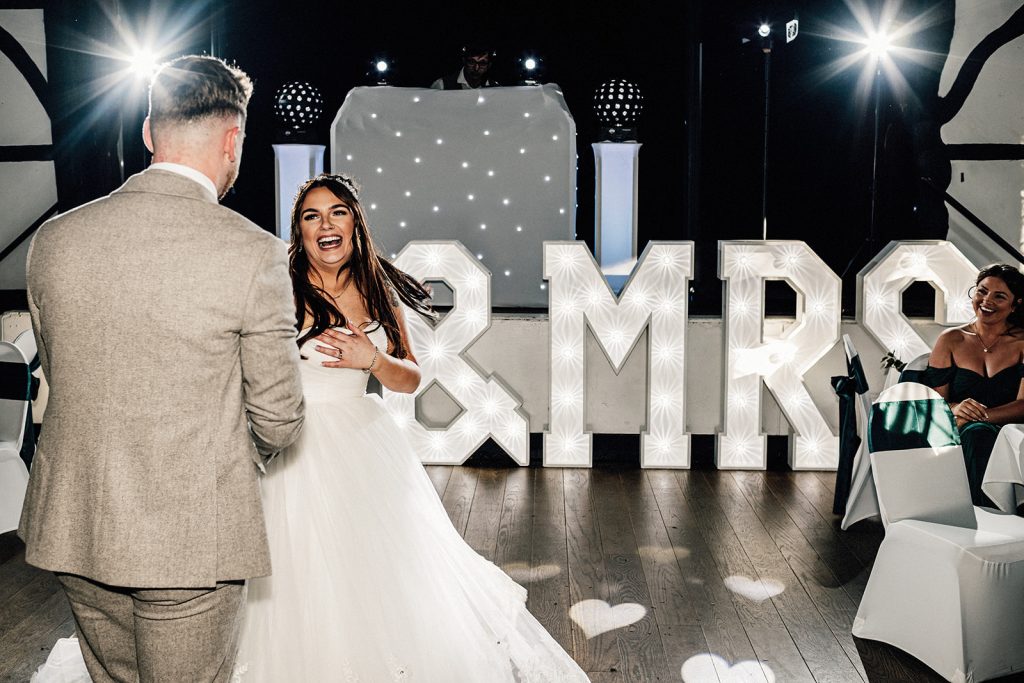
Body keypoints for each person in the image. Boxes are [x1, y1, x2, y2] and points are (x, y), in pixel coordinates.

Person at [231, 173, 589, 682]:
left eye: (337, 211)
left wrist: (371, 358)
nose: (325, 224)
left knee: (369, 563)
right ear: (299, 231)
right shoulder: (278, 289)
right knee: (299, 565)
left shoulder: (376, 290)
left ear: (355, 221)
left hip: (361, 440)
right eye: (312, 216)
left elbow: (409, 378)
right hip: (293, 438)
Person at [21, 55, 305, 682]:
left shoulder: (54, 241)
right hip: (190, 540)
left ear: (149, 134)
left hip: (77, 526)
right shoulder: (254, 254)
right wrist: (217, 462)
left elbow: (62, 380)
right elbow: (280, 419)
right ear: (234, 139)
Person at [924, 263, 1024, 505]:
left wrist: (982, 416)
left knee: (979, 433)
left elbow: (1023, 405)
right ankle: (988, 517)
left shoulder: (1022, 342)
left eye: (999, 296)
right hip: (959, 427)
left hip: (1012, 432)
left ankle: (983, 520)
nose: (986, 301)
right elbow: (934, 402)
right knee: (976, 435)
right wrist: (956, 408)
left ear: (1016, 304)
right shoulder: (951, 339)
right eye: (981, 291)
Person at [431, 43, 499, 90]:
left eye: (482, 63)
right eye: (472, 62)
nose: (476, 68)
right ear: (464, 61)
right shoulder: (442, 86)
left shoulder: (495, 88)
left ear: (489, 65)